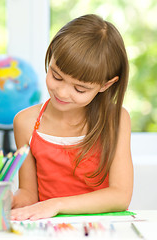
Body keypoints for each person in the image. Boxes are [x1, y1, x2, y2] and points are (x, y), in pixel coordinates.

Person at [11, 14, 133, 220]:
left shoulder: (116, 119)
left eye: (80, 88)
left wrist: (57, 204)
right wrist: (9, 199)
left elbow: (120, 195)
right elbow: (29, 194)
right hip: (47, 228)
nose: (62, 92)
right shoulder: (25, 122)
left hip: (98, 228)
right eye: (56, 76)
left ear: (106, 85)